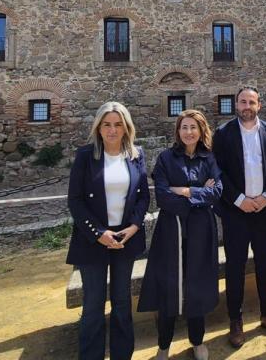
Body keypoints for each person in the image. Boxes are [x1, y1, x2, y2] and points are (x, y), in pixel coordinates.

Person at [65, 101, 150, 360]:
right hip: (93, 240)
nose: (112, 130)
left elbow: (143, 197)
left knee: (122, 303)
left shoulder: (137, 155)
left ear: (126, 128)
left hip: (125, 238)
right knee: (93, 304)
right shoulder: (85, 156)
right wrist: (98, 233)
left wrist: (135, 226)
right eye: (107, 124)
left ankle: (123, 355)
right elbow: (75, 200)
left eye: (118, 124)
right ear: (98, 128)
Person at [139, 110, 222, 360]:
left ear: (201, 130)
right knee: (169, 286)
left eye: (193, 127)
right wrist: (197, 195)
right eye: (184, 127)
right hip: (171, 230)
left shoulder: (209, 159)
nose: (188, 132)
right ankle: (163, 346)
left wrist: (184, 190)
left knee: (196, 284)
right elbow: (163, 197)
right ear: (178, 131)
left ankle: (197, 341)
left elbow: (217, 191)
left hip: (201, 232)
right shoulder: (166, 158)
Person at [213, 86, 266, 348]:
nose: (247, 106)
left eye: (252, 102)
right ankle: (235, 320)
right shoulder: (223, 134)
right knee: (234, 265)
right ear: (236, 104)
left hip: (264, 210)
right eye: (243, 102)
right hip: (236, 212)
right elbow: (218, 171)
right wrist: (239, 200)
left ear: (259, 105)